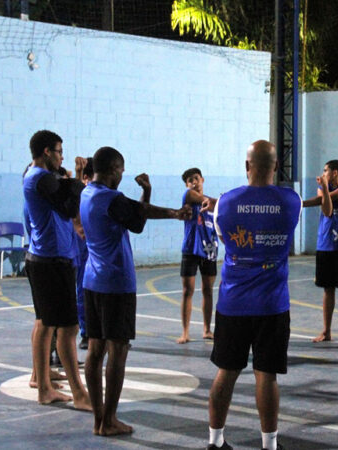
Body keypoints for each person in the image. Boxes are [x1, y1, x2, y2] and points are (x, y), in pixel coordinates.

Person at [81, 146, 187, 436]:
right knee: (118, 350)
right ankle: (110, 419)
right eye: (121, 171)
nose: (122, 176)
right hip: (115, 282)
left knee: (94, 350)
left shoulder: (87, 193)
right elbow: (139, 220)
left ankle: (98, 418)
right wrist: (155, 197)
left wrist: (170, 210)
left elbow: (135, 211)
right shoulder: (111, 198)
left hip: (91, 280)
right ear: (115, 169)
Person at [205, 140, 302, 450]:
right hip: (272, 304)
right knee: (267, 375)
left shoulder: (225, 203)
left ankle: (215, 441)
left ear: (247, 166)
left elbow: (222, 239)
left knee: (226, 371)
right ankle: (269, 445)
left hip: (233, 302)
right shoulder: (291, 201)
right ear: (275, 167)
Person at [22, 130, 91, 410]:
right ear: (47, 152)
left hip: (48, 257)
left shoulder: (36, 176)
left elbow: (68, 194)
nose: (62, 156)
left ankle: (41, 381)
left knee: (45, 322)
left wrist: (72, 179)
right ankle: (79, 393)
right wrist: (77, 178)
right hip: (51, 259)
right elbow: (69, 200)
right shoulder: (39, 178)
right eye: (59, 151)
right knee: (68, 327)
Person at [302, 159, 338, 345]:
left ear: (335, 172)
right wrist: (324, 189)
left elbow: (328, 199)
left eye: (326, 170)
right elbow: (326, 210)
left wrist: (302, 202)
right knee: (328, 290)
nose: (323, 173)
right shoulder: (323, 189)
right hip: (324, 245)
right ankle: (326, 331)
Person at [177, 168, 218, 343]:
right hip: (190, 249)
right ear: (187, 185)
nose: (193, 182)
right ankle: (185, 332)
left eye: (196, 178)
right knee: (188, 291)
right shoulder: (189, 196)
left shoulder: (212, 205)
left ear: (202, 179)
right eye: (189, 180)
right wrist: (226, 202)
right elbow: (210, 201)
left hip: (209, 250)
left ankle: (207, 329)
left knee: (208, 290)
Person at [73, 157, 94, 350]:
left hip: (100, 254)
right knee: (83, 293)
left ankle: (108, 333)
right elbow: (76, 192)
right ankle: (86, 332)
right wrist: (79, 173)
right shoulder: (83, 195)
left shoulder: (105, 196)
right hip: (83, 252)